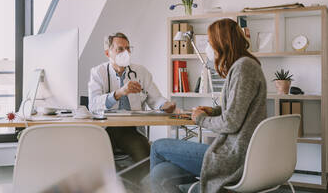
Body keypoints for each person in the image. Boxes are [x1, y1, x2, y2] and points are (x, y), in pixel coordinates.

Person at [149, 18, 267, 193]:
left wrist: (201, 119)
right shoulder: (246, 65)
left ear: (222, 43)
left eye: (210, 43)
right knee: (161, 172)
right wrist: (212, 111)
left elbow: (231, 122)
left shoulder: (243, 68)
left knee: (158, 146)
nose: (208, 48)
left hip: (233, 156)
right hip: (239, 152)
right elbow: (238, 108)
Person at [88, 32, 176, 165]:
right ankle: (113, 183)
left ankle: (135, 184)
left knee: (147, 160)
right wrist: (119, 92)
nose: (126, 52)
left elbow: (155, 98)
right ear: (108, 53)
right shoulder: (98, 72)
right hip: (106, 130)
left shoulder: (140, 71)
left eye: (128, 48)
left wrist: (165, 105)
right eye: (120, 49)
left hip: (130, 130)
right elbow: (93, 105)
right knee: (96, 162)